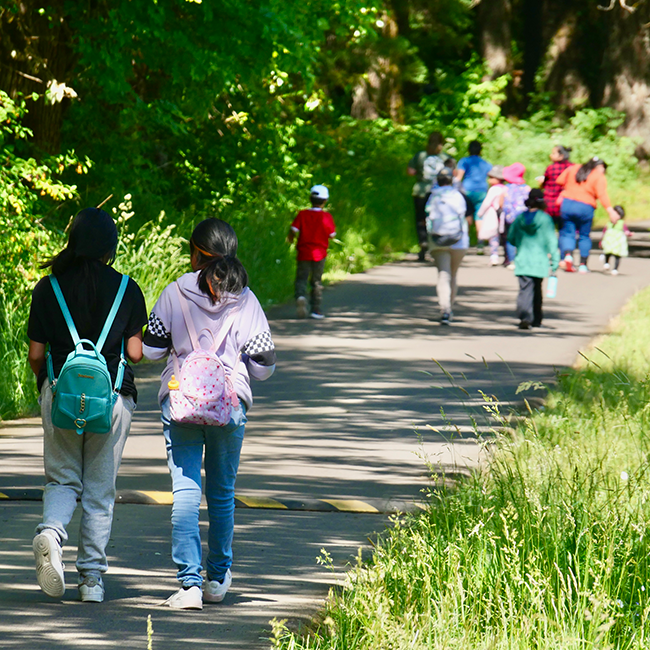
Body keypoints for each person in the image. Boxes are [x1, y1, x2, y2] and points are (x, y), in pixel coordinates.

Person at [143, 218, 276, 610]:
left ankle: (189, 586)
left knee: (185, 492)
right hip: (229, 408)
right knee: (221, 494)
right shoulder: (245, 299)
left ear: (196, 254)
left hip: (180, 403)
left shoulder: (174, 292)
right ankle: (217, 579)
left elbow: (150, 351)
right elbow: (265, 366)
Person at [27, 207, 147, 603]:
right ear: (111, 246)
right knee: (99, 489)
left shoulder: (48, 288)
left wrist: (45, 388)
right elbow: (135, 351)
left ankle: (51, 533)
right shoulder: (128, 289)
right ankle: (91, 581)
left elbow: (35, 353)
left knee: (62, 479)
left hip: (60, 394)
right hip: (111, 399)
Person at [556, 156, 619, 273]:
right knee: (584, 236)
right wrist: (610, 210)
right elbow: (602, 194)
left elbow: (559, 180)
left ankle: (568, 255)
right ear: (598, 167)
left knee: (567, 233)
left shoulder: (573, 168)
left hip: (567, 204)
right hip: (585, 207)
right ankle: (583, 264)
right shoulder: (598, 176)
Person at [507, 189, 559, 330]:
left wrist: (519, 243)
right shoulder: (545, 219)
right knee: (537, 290)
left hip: (523, 260)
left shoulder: (519, 219)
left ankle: (525, 317)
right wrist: (555, 260)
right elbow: (551, 241)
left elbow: (511, 238)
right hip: (539, 261)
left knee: (525, 290)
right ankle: (536, 319)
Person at [426, 168, 469, 325]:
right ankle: (449, 307)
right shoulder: (458, 195)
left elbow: (428, 216)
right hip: (458, 240)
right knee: (453, 274)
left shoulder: (433, 195)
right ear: (452, 180)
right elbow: (463, 215)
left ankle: (445, 310)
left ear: (438, 180)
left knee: (443, 274)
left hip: (438, 240)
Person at [288, 185, 336, 319]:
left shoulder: (303, 214)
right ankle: (315, 309)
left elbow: (293, 230)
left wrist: (291, 238)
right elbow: (332, 235)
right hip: (320, 254)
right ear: (325, 201)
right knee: (316, 282)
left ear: (310, 198)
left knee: (301, 278)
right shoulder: (326, 217)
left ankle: (300, 296)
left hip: (304, 253)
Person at [408, 132, 445, 261]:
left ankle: (423, 242)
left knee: (421, 219)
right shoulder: (445, 158)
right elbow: (454, 174)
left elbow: (411, 172)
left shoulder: (420, 156)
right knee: (437, 219)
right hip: (439, 193)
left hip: (421, 191)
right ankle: (436, 245)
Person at [455, 140, 492, 251]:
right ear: (481, 151)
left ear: (468, 150)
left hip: (466, 191)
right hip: (481, 191)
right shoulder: (486, 163)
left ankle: (464, 241)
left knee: (466, 214)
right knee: (479, 216)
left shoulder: (464, 161)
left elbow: (459, 177)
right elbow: (491, 178)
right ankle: (480, 242)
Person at [501, 163, 531, 269]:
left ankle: (512, 261)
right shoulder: (527, 188)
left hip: (510, 218)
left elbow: (501, 203)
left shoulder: (505, 188)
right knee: (524, 239)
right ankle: (523, 259)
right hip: (524, 217)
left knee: (510, 239)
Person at [476, 165, 507, 266]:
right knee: (503, 235)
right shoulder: (506, 188)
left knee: (493, 236)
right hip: (504, 214)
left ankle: (494, 256)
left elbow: (487, 202)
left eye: (492, 178)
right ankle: (507, 256)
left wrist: (480, 213)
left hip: (493, 214)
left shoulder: (493, 189)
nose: (490, 180)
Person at [541, 145, 572, 228]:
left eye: (553, 153)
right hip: (567, 203)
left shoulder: (551, 168)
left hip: (550, 204)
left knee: (548, 228)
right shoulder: (572, 167)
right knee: (565, 230)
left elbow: (544, 184)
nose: (550, 155)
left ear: (561, 156)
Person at [600, 205, 631, 275]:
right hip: (609, 241)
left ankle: (615, 269)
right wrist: (601, 241)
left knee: (617, 256)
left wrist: (628, 234)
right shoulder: (609, 223)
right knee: (607, 252)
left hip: (618, 242)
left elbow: (626, 230)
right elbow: (604, 232)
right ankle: (606, 263)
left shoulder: (622, 223)